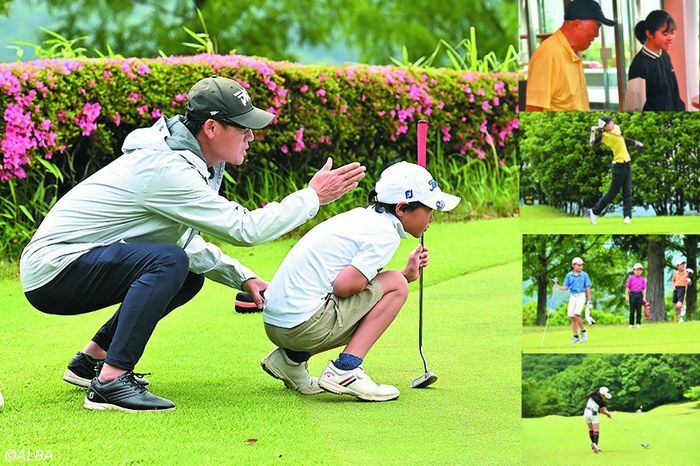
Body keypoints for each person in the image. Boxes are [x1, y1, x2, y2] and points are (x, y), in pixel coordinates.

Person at [19, 76, 366, 412]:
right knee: (168, 262)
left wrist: (241, 277)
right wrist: (312, 197)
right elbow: (244, 228)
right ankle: (111, 383)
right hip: (54, 271)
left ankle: (90, 362)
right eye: (242, 127)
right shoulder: (168, 169)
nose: (251, 137)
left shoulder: (180, 161)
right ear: (211, 128)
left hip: (64, 267)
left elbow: (183, 243)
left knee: (185, 273)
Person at [259, 162, 460, 401]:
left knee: (396, 280)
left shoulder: (361, 218)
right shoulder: (384, 233)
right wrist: (402, 277)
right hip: (302, 329)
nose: (431, 218)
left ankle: (290, 361)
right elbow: (344, 287)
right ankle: (346, 370)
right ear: (402, 208)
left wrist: (405, 274)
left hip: (276, 325)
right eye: (428, 210)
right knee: (396, 284)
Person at [525, 0, 614, 112]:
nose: (597, 35)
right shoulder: (549, 54)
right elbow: (533, 108)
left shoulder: (573, 52)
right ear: (577, 24)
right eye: (596, 28)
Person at [586, 116, 643, 225]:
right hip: (618, 166)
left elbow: (615, 126)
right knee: (612, 193)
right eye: (609, 122)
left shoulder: (616, 129)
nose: (612, 123)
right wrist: (593, 132)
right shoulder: (604, 136)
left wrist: (598, 127)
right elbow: (592, 144)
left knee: (627, 191)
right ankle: (594, 212)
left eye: (611, 121)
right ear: (606, 126)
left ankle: (627, 216)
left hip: (627, 163)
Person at [624, 10, 685, 111]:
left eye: (672, 33)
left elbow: (674, 93)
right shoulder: (639, 65)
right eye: (665, 34)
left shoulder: (664, 56)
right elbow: (634, 106)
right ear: (649, 34)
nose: (670, 38)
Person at [554, 257, 591, 344]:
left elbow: (588, 287)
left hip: (581, 296)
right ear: (573, 265)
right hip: (572, 296)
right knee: (572, 316)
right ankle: (575, 337)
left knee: (576, 314)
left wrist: (589, 299)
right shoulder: (569, 275)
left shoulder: (584, 275)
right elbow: (566, 287)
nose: (581, 267)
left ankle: (583, 332)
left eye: (582, 265)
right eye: (578, 265)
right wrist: (558, 287)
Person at [583, 386, 612, 454]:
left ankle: (593, 444)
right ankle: (595, 445)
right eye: (604, 396)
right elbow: (602, 411)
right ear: (602, 394)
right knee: (596, 430)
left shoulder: (593, 394)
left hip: (586, 413)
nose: (605, 397)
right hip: (593, 414)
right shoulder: (601, 401)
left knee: (591, 430)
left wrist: (606, 412)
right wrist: (608, 414)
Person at [625, 263, 647, 328]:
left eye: (640, 270)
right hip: (632, 294)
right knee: (632, 310)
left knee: (639, 310)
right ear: (634, 270)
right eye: (637, 270)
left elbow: (644, 289)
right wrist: (627, 296)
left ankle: (638, 323)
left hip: (639, 294)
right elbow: (627, 288)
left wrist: (644, 297)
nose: (638, 271)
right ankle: (631, 324)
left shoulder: (643, 279)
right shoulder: (630, 278)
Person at [672, 259, 691, 323]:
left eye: (684, 264)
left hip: (682, 289)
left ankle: (683, 307)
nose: (683, 265)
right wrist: (673, 286)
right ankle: (680, 318)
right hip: (676, 289)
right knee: (675, 306)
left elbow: (690, 282)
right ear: (677, 266)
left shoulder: (686, 273)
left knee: (678, 305)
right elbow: (673, 280)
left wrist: (689, 281)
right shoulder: (675, 273)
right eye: (681, 264)